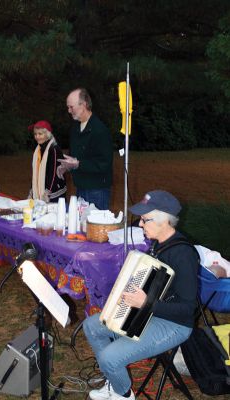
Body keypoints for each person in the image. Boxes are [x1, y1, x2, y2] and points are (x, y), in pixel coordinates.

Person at [83, 190, 199, 400]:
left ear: (164, 221)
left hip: (174, 324)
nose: (140, 224)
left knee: (109, 358)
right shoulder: (158, 244)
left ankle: (123, 395)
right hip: (151, 312)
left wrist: (147, 303)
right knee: (91, 326)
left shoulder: (183, 254)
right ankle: (115, 380)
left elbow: (188, 309)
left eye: (145, 219)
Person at [57, 88, 113, 210]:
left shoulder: (100, 130)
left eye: (71, 107)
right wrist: (66, 166)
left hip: (97, 190)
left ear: (83, 105)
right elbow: (75, 157)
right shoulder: (75, 128)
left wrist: (78, 164)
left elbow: (104, 164)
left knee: (95, 227)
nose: (69, 110)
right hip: (80, 187)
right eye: (68, 107)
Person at [28, 120, 67, 203]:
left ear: (47, 134)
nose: (37, 137)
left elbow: (54, 173)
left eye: (40, 134)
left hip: (54, 194)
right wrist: (32, 189)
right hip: (41, 191)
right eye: (35, 134)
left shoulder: (54, 149)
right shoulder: (38, 150)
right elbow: (36, 173)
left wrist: (48, 192)